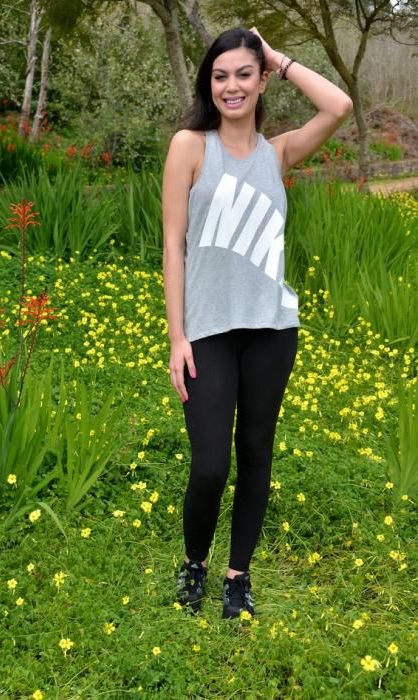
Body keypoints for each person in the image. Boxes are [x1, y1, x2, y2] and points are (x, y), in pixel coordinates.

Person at [161, 26, 353, 619]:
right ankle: (194, 562)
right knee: (211, 461)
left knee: (256, 453)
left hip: (271, 328)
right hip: (210, 333)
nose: (231, 86)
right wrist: (177, 336)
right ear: (208, 84)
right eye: (220, 76)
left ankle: (236, 576)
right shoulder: (189, 147)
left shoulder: (280, 153)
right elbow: (173, 244)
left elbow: (340, 105)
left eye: (244, 73)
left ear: (262, 79)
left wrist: (278, 56)